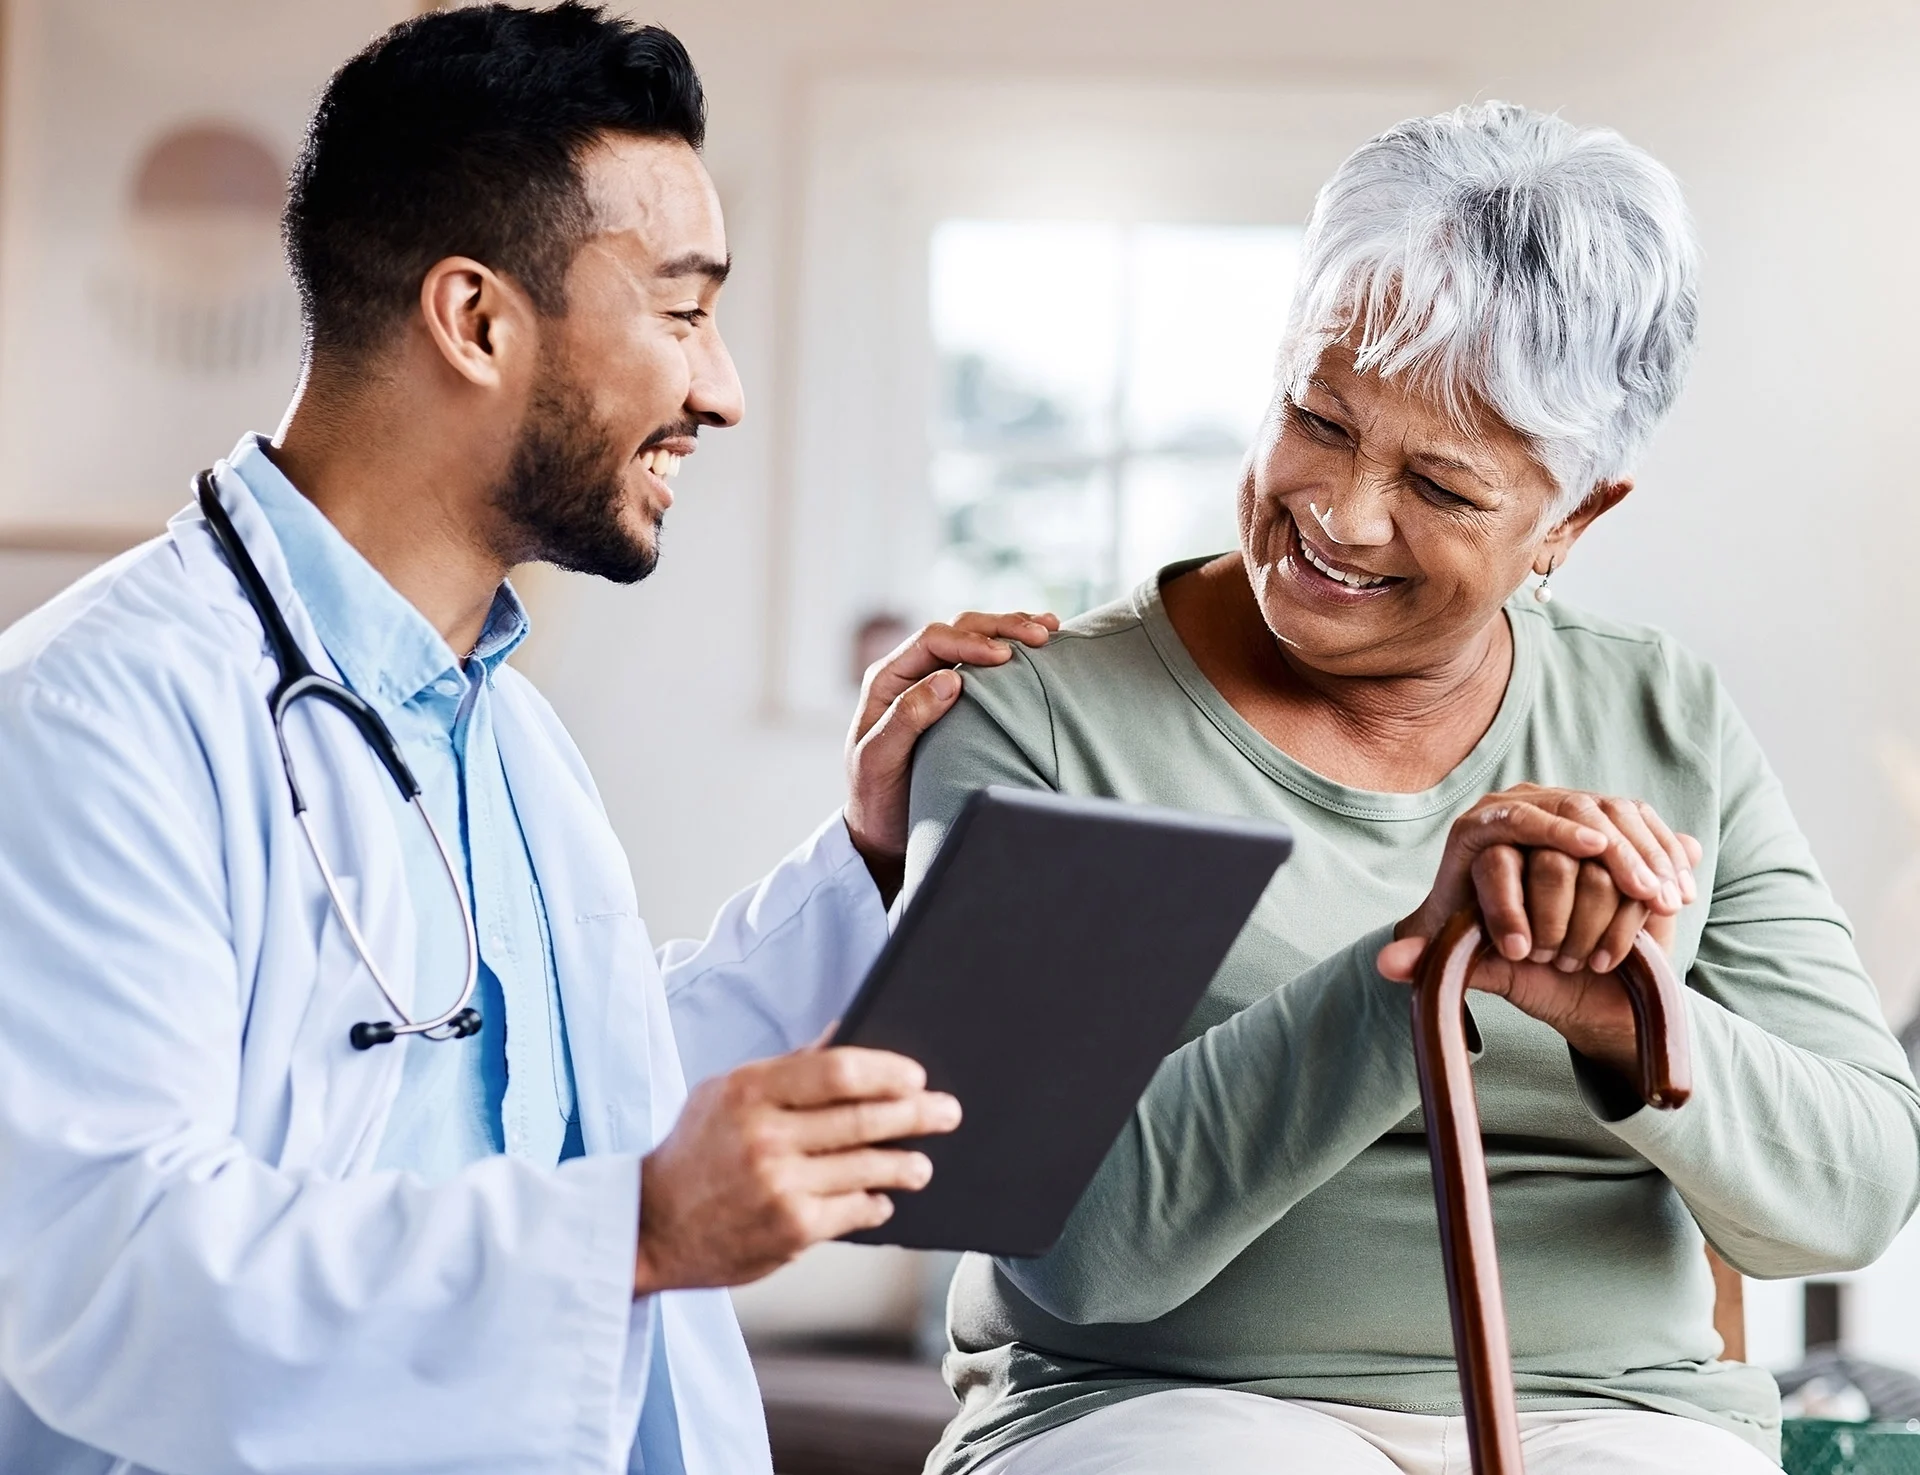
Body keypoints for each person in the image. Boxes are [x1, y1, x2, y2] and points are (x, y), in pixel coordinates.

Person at [0, 7, 1057, 1473]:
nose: (722, 388)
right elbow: (102, 1273)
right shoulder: (90, 721)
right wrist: (635, 1228)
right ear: (477, 319)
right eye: (683, 312)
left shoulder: (502, 724)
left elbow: (592, 1096)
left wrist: (870, 859)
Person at [905, 102, 1920, 1474]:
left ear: (1574, 516)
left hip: (1614, 1417)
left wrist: (1636, 1021)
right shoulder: (1046, 718)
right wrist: (1412, 972)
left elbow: (1856, 1189)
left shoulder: (1659, 714)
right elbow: (1070, 1249)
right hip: (1155, 1409)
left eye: (1441, 484)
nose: (1343, 511)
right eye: (1317, 417)